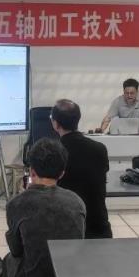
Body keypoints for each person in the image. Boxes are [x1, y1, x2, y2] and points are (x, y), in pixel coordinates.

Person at [3, 138, 85, 277]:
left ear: (32, 172)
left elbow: (16, 250)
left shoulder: (16, 203)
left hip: (33, 276)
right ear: (62, 173)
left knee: (10, 259)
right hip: (69, 273)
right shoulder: (77, 202)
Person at [51, 99, 112, 239]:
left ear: (55, 124)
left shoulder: (54, 153)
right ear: (77, 120)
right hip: (98, 227)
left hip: (66, 229)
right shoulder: (100, 149)